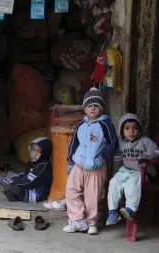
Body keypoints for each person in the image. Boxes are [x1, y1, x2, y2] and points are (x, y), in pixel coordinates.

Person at [63, 87, 118, 235]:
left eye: (96, 105)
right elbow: (73, 144)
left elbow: (113, 144)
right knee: (71, 191)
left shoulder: (105, 124)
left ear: (101, 108)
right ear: (85, 108)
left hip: (96, 166)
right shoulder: (80, 125)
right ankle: (77, 220)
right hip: (79, 165)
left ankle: (91, 222)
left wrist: (102, 159)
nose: (92, 108)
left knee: (92, 195)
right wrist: (70, 162)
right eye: (89, 105)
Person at [106, 113, 159, 225]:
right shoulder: (120, 142)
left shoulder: (145, 141)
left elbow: (157, 152)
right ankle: (113, 212)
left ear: (140, 130)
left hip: (140, 172)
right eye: (127, 128)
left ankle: (130, 210)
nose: (131, 131)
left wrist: (146, 156)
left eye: (135, 128)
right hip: (125, 170)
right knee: (113, 182)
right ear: (121, 131)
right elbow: (116, 157)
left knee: (131, 184)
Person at [0, 137, 53, 203]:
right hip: (29, 186)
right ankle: (12, 194)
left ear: (45, 153)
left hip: (34, 194)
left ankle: (12, 195)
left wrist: (13, 181)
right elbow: (26, 175)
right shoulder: (37, 163)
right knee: (9, 177)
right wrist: (13, 179)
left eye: (39, 151)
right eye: (33, 150)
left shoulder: (43, 166)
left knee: (9, 186)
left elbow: (28, 182)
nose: (34, 154)